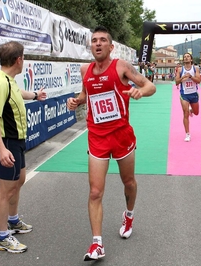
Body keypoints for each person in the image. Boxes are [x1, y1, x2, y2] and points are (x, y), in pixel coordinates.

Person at [66, 26, 156, 261]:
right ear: (90, 45)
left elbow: (150, 86)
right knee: (95, 191)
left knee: (129, 183)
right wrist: (76, 101)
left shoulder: (121, 67)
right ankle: (97, 244)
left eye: (102, 40)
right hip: (97, 137)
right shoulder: (85, 69)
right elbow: (86, 95)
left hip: (121, 135)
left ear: (110, 46)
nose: (97, 43)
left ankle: (129, 214)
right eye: (94, 40)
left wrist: (140, 92)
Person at [0, 41, 47, 253]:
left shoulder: (8, 80)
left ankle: (13, 221)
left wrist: (35, 96)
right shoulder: (0, 83)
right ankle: (2, 237)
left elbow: (18, 93)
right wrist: (2, 149)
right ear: (18, 60)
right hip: (7, 142)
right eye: (24, 58)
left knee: (19, 180)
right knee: (6, 189)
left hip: (16, 141)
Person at [175, 52, 201, 142]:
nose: (186, 58)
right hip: (184, 94)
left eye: (188, 56)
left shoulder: (195, 69)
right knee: (185, 113)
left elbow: (198, 81)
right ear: (183, 59)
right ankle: (187, 134)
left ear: (191, 59)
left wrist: (190, 76)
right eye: (184, 57)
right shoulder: (179, 70)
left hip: (193, 94)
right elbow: (176, 82)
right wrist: (182, 78)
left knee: (196, 113)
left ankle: (191, 110)